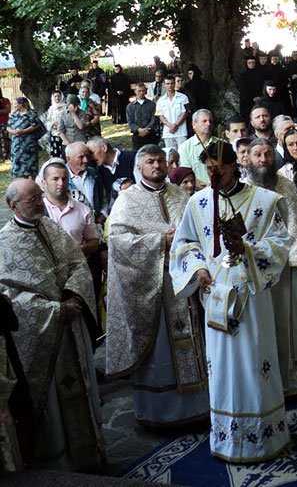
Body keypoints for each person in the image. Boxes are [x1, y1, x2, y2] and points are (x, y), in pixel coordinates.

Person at [169, 143, 291, 463]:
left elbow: (280, 245)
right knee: (221, 366)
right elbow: (185, 243)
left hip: (252, 294)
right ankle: (227, 439)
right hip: (215, 295)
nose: (214, 174)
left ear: (234, 164)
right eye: (208, 168)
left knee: (255, 361)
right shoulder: (198, 202)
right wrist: (197, 269)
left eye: (219, 168)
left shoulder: (264, 201)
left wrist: (247, 250)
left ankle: (264, 437)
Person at [0, 178, 106, 470]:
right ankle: (62, 467)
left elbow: (77, 264)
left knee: (83, 387)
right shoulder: (4, 243)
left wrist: (74, 295)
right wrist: (56, 310)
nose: (40, 204)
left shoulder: (50, 227)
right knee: (55, 402)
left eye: (39, 197)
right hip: (45, 335)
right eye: (32, 200)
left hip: (72, 321)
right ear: (13, 206)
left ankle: (90, 455)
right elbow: (10, 297)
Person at [105, 145, 209, 427]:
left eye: (161, 161)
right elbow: (118, 243)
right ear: (139, 167)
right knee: (161, 350)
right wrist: (160, 241)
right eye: (150, 161)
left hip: (186, 283)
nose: (157, 166)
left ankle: (199, 406)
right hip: (153, 287)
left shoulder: (181, 195)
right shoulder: (127, 201)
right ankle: (162, 413)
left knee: (195, 342)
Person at [245, 139, 297, 396]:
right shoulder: (243, 190)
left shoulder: (286, 186)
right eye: (258, 154)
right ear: (248, 159)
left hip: (287, 268)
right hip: (256, 270)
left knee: (292, 320)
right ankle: (266, 383)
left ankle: (295, 379)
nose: (263, 159)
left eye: (267, 154)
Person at [87, 135, 138, 210]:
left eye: (92, 153)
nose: (91, 158)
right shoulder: (98, 171)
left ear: (104, 148)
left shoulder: (132, 158)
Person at [7, 98, 44, 180]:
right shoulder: (14, 115)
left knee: (31, 164)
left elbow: (36, 125)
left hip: (29, 143)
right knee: (19, 164)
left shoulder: (31, 113)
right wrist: (13, 131)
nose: (14, 105)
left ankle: (33, 181)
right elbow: (8, 127)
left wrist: (23, 131)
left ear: (21, 104)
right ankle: (23, 181)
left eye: (16, 103)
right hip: (17, 144)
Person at [156, 76, 190, 153]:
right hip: (167, 133)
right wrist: (170, 125)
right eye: (167, 84)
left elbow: (185, 113)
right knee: (170, 154)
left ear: (174, 84)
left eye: (172, 83)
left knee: (183, 153)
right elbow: (160, 115)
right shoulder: (160, 100)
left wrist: (176, 124)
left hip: (181, 132)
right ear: (164, 85)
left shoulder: (183, 97)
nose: (170, 85)